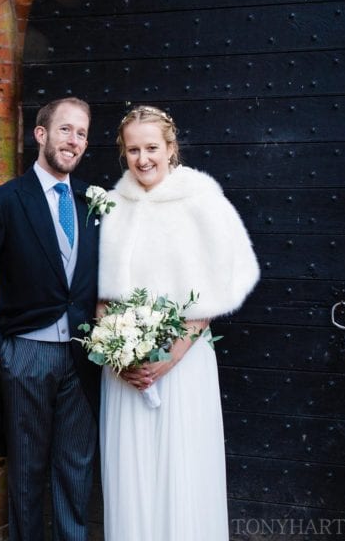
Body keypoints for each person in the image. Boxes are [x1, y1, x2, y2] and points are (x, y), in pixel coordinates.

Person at [97, 104, 260, 541]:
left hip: (183, 363)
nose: (143, 158)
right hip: (126, 373)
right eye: (133, 150)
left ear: (171, 149)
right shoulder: (114, 205)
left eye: (152, 147)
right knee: (133, 471)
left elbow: (215, 287)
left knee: (181, 467)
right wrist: (117, 353)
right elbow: (101, 294)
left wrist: (166, 359)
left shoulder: (201, 200)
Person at [0, 97, 100, 541]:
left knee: (75, 474)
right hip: (26, 356)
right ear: (41, 134)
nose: (73, 140)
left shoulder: (94, 204)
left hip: (81, 357)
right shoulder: (5, 201)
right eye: (65, 130)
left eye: (81, 133)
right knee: (26, 477)